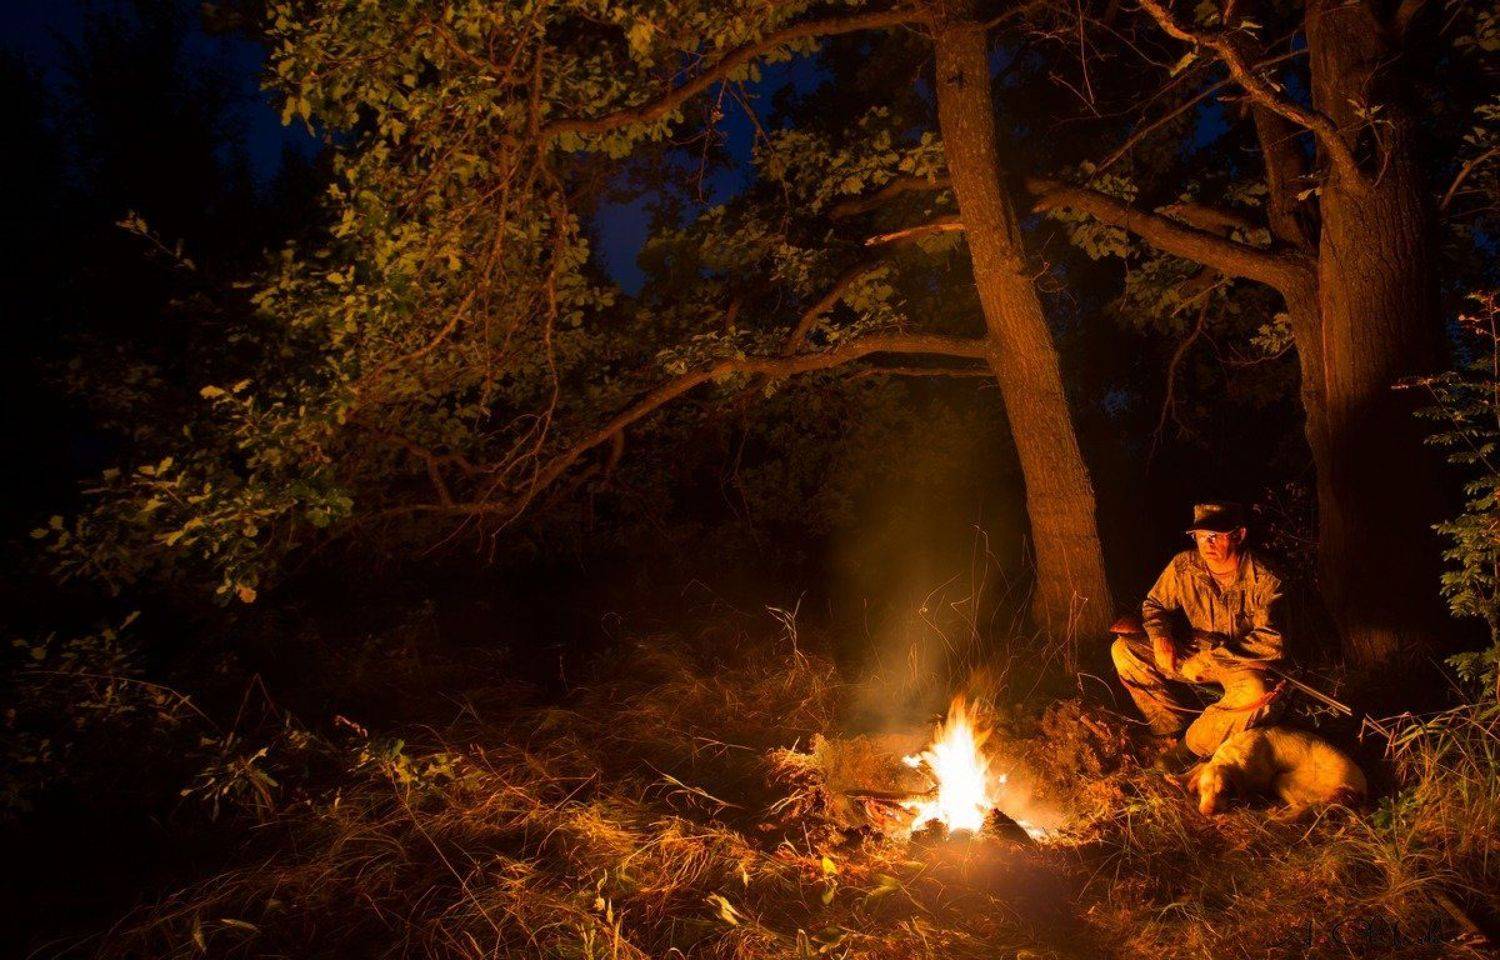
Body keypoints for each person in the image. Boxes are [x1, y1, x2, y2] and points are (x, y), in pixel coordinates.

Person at [1111, 502, 1287, 772]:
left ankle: (1187, 750)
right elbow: (1154, 604)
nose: (1207, 543)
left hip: (1242, 661)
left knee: (1256, 694)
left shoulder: (1266, 579)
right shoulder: (1184, 566)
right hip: (1195, 652)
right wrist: (1161, 637)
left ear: (1238, 535)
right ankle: (1169, 731)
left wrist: (1210, 661)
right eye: (1201, 536)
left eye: (1216, 535)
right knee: (1124, 650)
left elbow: (1273, 639)